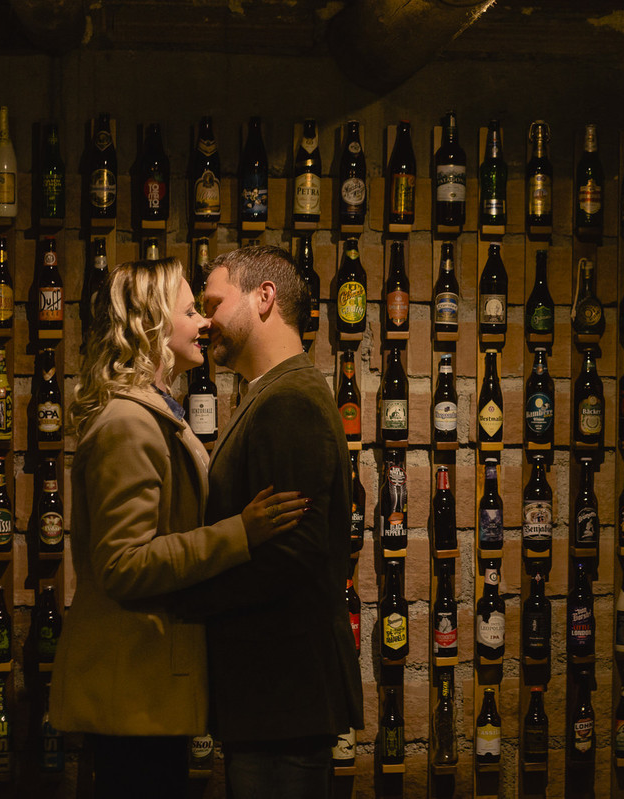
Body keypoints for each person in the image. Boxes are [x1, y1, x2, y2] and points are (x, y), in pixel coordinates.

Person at [49, 257, 306, 799]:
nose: (206, 322)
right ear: (152, 326)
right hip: (133, 694)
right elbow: (124, 565)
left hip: (146, 689)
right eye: (191, 311)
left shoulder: (154, 415)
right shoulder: (128, 424)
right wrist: (240, 533)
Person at [176, 245, 363, 798]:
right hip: (271, 699)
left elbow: (292, 556)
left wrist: (188, 595)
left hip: (283, 695)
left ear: (264, 298)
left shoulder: (291, 402)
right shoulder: (272, 395)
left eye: (214, 302)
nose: (206, 321)